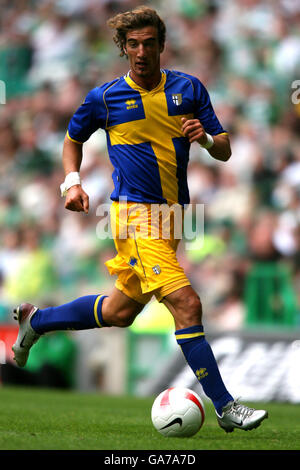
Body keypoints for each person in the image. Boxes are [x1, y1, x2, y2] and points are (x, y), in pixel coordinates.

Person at [12, 6, 267, 432]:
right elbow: (72, 139)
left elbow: (224, 148)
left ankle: (36, 321)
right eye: (133, 44)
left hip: (174, 219)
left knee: (119, 311)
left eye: (149, 43)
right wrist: (70, 183)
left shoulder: (189, 88)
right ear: (123, 48)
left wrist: (204, 139)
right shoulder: (105, 98)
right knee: (187, 302)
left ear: (162, 45)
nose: (142, 51)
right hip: (132, 216)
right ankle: (225, 405)